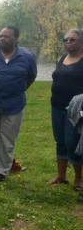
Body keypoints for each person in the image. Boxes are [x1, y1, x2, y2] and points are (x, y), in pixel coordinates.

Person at [0, 26, 37, 182]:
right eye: (1, 36)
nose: (2, 38)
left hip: (14, 105)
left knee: (8, 139)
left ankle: (2, 171)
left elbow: (30, 77)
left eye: (7, 36)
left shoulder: (27, 57)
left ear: (16, 39)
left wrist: (15, 89)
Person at [49, 29, 83, 190]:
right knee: (60, 141)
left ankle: (78, 179)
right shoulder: (63, 58)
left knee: (73, 143)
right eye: (66, 39)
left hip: (76, 110)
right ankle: (61, 177)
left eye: (73, 39)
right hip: (57, 106)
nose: (68, 42)